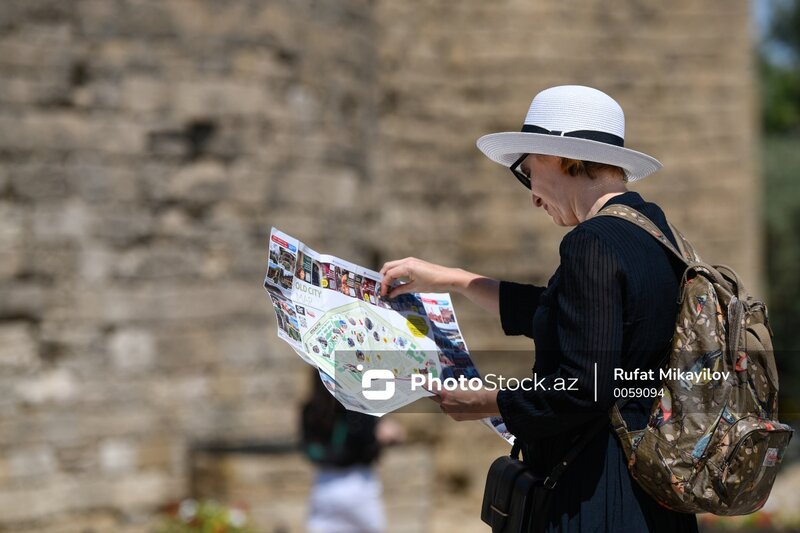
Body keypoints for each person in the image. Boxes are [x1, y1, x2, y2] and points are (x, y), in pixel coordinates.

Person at [379, 86, 699, 532]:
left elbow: (583, 388)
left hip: (596, 494)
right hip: (651, 490)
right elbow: (562, 314)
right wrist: (452, 278)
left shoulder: (592, 243)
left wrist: (485, 401)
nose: (531, 194)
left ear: (563, 160)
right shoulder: (654, 231)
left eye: (528, 171)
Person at [301, 370, 406, 533]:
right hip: (358, 482)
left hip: (325, 482)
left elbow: (311, 451)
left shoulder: (310, 409)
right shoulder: (358, 406)